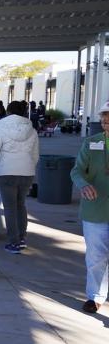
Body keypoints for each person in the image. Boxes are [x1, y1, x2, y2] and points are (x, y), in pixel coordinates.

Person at [71, 100, 109, 313]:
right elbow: (76, 171)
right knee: (96, 256)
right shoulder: (91, 142)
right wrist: (84, 184)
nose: (105, 120)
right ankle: (95, 296)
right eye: (104, 116)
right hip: (95, 209)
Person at [0, 100, 40, 254]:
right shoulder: (31, 130)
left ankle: (13, 242)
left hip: (7, 171)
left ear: (7, 112)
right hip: (27, 172)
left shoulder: (0, 129)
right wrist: (29, 166)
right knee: (21, 205)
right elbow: (35, 155)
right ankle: (21, 238)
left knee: (9, 207)